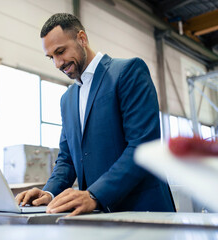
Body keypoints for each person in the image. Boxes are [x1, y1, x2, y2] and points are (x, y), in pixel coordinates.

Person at [16, 13, 175, 216]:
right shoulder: (67, 99)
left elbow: (143, 147)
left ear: (82, 39)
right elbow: (67, 159)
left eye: (61, 51)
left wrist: (94, 195)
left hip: (144, 212)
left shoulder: (128, 72)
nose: (57, 64)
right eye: (51, 57)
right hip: (101, 218)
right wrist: (49, 192)